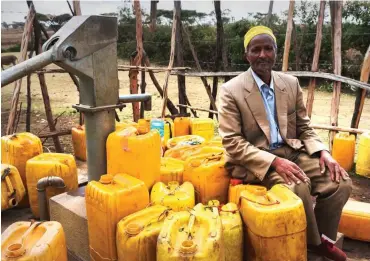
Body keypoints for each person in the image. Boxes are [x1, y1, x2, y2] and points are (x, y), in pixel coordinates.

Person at [218, 25, 352, 261]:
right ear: (246, 55)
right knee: (298, 186)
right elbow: (232, 142)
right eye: (256, 49)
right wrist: (274, 162)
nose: (262, 55)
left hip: (291, 152)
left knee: (339, 181)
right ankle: (313, 243)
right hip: (256, 160)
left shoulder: (289, 84)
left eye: (268, 48)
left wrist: (324, 152)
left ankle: (323, 239)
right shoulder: (232, 90)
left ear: (275, 52)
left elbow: (304, 127)